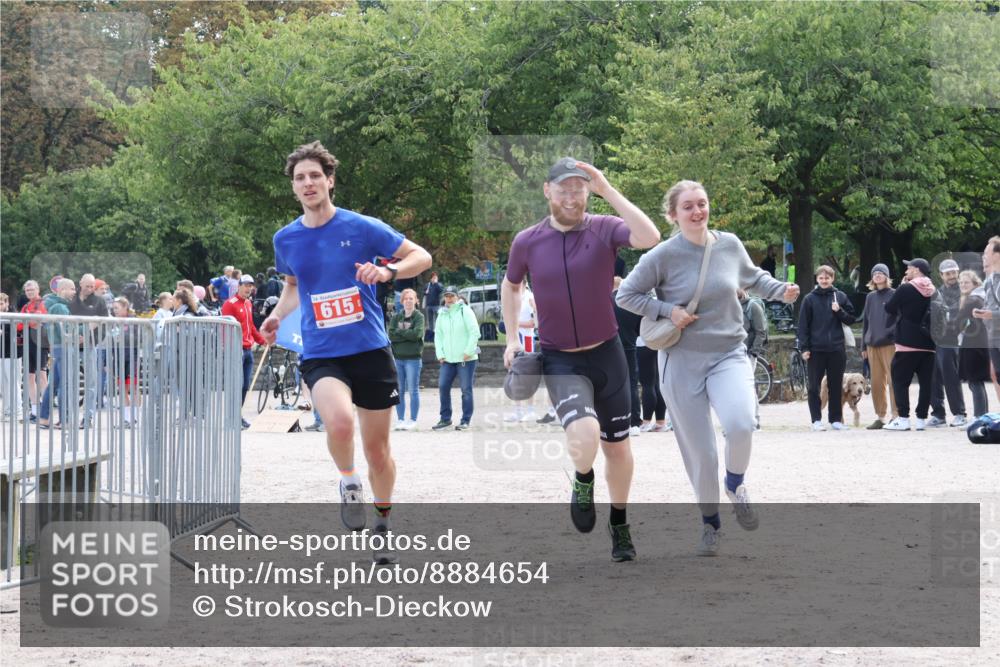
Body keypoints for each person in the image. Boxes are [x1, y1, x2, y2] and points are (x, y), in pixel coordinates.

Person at [260, 141, 431, 563]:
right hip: (322, 352)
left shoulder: (362, 227)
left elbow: (421, 257)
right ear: (294, 189)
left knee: (379, 451)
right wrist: (278, 316)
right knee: (338, 424)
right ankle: (349, 481)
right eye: (300, 178)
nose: (308, 182)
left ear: (330, 180)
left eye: (315, 175)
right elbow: (295, 286)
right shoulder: (286, 238)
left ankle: (383, 523)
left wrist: (388, 270)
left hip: (370, 349)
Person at [617, 180, 799, 557]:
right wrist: (668, 311)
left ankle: (735, 484)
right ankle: (711, 523)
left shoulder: (729, 244)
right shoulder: (662, 255)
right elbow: (626, 295)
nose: (698, 211)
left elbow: (752, 278)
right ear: (673, 215)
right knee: (702, 453)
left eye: (702, 204)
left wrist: (782, 289)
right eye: (688, 206)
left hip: (728, 353)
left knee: (741, 423)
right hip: (681, 361)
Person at [504, 157, 661, 563]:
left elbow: (649, 236)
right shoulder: (527, 240)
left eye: (579, 188)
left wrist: (608, 189)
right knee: (586, 433)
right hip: (561, 359)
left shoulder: (605, 229)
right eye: (563, 188)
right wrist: (510, 339)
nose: (571, 196)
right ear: (547, 191)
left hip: (608, 354)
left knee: (619, 450)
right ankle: (583, 479)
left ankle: (620, 524)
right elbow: (511, 286)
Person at [797, 265, 857, 431]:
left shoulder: (840, 296)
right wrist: (804, 348)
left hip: (836, 349)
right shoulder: (809, 299)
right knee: (813, 387)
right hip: (815, 350)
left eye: (827, 278)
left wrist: (839, 312)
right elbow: (803, 326)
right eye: (821, 278)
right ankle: (816, 420)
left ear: (832, 279)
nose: (824, 280)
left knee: (836, 385)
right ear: (817, 279)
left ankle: (836, 420)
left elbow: (852, 318)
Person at [883, 258, 937, 431]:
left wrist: (900, 288)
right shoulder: (934, 290)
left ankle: (904, 419)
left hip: (907, 342)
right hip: (929, 343)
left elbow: (889, 308)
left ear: (916, 270)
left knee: (899, 380)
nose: (906, 270)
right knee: (926, 383)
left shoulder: (906, 288)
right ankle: (921, 419)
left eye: (909, 268)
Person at [432, 286, 480, 431]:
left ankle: (465, 420)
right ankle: (445, 419)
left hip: (466, 358)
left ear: (457, 297)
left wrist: (468, 351)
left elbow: (474, 332)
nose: (449, 298)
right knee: (443, 386)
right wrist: (440, 354)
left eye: (452, 296)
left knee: (466, 389)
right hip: (447, 359)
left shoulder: (465, 310)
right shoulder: (442, 314)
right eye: (447, 296)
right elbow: (438, 335)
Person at [222, 274, 266, 429]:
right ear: (239, 286)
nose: (249, 288)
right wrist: (230, 347)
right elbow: (224, 328)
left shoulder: (248, 303)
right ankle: (231, 417)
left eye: (251, 285)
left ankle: (237, 415)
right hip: (236, 349)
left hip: (248, 349)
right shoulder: (230, 304)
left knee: (245, 385)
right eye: (246, 285)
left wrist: (262, 340)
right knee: (236, 384)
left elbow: (251, 326)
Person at [928, 258, 967, 427]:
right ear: (941, 275)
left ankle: (959, 413)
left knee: (950, 376)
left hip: (952, 340)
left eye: (954, 272)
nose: (951, 276)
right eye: (948, 273)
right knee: (932, 376)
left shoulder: (965, 291)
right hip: (934, 340)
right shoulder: (937, 292)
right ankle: (938, 414)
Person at [860, 264, 898, 429]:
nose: (877, 275)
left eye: (881, 273)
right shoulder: (870, 297)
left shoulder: (895, 294)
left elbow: (898, 318)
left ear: (887, 277)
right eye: (874, 273)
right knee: (876, 382)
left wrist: (893, 335)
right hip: (872, 344)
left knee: (893, 380)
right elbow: (865, 322)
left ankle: (896, 414)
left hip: (890, 343)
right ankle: (880, 416)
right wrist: (863, 346)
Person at [37, 279, 77, 429]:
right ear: (62, 290)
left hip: (58, 347)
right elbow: (67, 329)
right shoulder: (60, 307)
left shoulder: (54, 305)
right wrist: (82, 331)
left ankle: (44, 418)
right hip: (64, 346)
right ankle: (64, 419)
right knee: (64, 384)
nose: (74, 292)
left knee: (54, 383)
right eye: (72, 289)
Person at [70, 273, 109, 426]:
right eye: (87, 286)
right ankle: (69, 415)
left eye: (92, 286)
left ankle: (88, 417)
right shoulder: (71, 299)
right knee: (69, 381)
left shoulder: (99, 301)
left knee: (91, 383)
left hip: (90, 346)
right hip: (71, 345)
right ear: (80, 283)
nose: (90, 289)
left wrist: (87, 337)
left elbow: (103, 323)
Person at [388, 288, 425, 430]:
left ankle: (413, 420)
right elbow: (391, 335)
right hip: (398, 359)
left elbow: (417, 334)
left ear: (416, 300)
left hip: (413, 359)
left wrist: (400, 333)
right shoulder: (396, 317)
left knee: (413, 390)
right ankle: (401, 419)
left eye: (411, 298)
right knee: (399, 390)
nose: (408, 301)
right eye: (406, 299)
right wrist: (406, 334)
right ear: (402, 301)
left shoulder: (419, 317)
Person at [957, 270, 990, 419]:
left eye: (966, 282)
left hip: (974, 345)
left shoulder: (972, 300)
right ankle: (982, 416)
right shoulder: (980, 297)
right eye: (961, 282)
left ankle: (979, 417)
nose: (963, 285)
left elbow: (958, 322)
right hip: (980, 343)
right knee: (977, 382)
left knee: (975, 382)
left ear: (975, 283)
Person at [611, 276, 642, 436]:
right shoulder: (630, 302)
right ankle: (635, 422)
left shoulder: (605, 301)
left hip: (610, 347)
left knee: (612, 385)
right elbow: (640, 326)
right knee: (632, 383)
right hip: (630, 345)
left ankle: (615, 419)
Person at [973, 236, 1000, 403]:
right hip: (993, 337)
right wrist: (982, 312)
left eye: (986, 253)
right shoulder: (990, 280)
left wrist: (992, 315)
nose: (983, 256)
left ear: (997, 255)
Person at [19, 280, 48, 420]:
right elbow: (19, 325)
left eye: (32, 289)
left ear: (38, 289)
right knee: (29, 377)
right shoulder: (25, 306)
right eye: (27, 290)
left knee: (42, 375)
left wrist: (27, 321)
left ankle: (45, 410)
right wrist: (29, 320)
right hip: (28, 342)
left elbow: (35, 321)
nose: (29, 292)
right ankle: (35, 410)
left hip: (40, 343)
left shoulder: (43, 303)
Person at [739, 288, 767, 430]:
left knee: (748, 387)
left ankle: (755, 420)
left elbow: (760, 332)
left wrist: (753, 353)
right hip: (728, 354)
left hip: (747, 354)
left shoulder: (752, 306)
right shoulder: (725, 306)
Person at [0, 293, 23, 421]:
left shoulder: (13, 315)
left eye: (1, 303)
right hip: (1, 354)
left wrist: (3, 333)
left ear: (7, 303)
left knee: (13, 383)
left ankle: (17, 411)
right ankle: (7, 411)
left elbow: (17, 334)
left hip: (13, 354)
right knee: (4, 384)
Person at [423, 272, 443, 340]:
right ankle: (431, 333)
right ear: (430, 278)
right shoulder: (427, 285)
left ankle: (437, 332)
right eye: (433, 278)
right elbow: (424, 292)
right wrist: (425, 292)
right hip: (429, 305)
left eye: (435, 277)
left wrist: (436, 283)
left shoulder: (438, 285)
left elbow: (440, 290)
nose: (434, 279)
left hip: (436, 305)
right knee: (430, 320)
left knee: (437, 319)